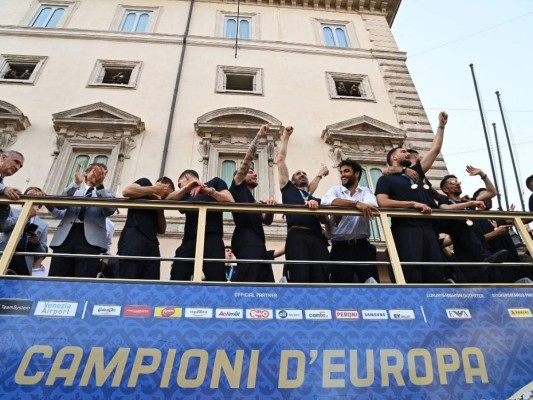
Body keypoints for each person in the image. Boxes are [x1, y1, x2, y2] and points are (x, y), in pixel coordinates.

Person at [375, 112, 449, 283]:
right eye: (403, 151)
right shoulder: (385, 179)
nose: (407, 153)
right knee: (411, 272)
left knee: (435, 273)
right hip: (406, 229)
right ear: (393, 157)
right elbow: (383, 202)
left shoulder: (416, 173)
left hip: (428, 230)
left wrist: (441, 126)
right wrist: (412, 204)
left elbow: (434, 150)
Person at [277, 126, 329, 283]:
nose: (302, 175)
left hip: (317, 237)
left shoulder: (313, 198)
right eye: (298, 173)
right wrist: (285, 137)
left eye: (304, 173)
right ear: (292, 180)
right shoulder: (288, 190)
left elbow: (325, 219)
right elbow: (280, 159)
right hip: (297, 236)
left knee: (322, 276)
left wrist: (320, 174)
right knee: (300, 276)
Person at [438, 169, 509, 282]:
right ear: (445, 189)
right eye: (452, 182)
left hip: (484, 251)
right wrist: (471, 203)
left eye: (458, 181)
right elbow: (445, 208)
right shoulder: (445, 200)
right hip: (467, 255)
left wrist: (482, 174)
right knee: (479, 287)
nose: (457, 183)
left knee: (496, 282)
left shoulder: (467, 202)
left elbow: (492, 192)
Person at [48, 163, 117, 277]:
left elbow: (109, 210)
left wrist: (100, 186)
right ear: (86, 173)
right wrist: (75, 183)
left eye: (102, 173)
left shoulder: (107, 194)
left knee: (84, 277)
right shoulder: (74, 191)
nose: (98, 175)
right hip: (66, 236)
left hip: (91, 240)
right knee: (58, 275)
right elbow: (59, 205)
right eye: (95, 171)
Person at [167, 169, 234, 281]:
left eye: (180, 184)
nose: (180, 187)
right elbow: (168, 199)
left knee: (216, 278)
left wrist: (208, 191)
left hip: (212, 237)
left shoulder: (215, 182)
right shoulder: (185, 194)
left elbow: (230, 201)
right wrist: (187, 187)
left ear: (186, 177)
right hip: (190, 239)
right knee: (177, 275)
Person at [230, 124, 276, 282]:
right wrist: (259, 136)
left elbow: (267, 221)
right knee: (248, 276)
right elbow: (247, 159)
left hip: (258, 242)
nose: (254, 173)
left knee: (263, 278)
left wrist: (270, 208)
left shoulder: (254, 201)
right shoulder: (237, 187)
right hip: (245, 239)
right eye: (250, 171)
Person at [321, 159, 379, 283]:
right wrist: (355, 204)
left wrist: (339, 207)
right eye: (341, 172)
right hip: (339, 248)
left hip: (362, 247)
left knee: (371, 286)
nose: (342, 175)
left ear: (357, 174)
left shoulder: (365, 191)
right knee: (340, 289)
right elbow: (325, 202)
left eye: (346, 171)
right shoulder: (335, 190)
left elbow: (371, 204)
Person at [118, 176, 174, 280]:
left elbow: (162, 230)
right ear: (166, 185)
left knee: (151, 282)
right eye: (167, 194)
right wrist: (154, 189)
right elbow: (126, 191)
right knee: (129, 277)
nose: (166, 198)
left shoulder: (160, 201)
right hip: (134, 238)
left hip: (152, 244)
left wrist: (160, 207)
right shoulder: (145, 183)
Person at [0, 187, 48, 275]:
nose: (33, 199)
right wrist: (26, 215)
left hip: (24, 260)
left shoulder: (43, 225)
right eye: (30, 196)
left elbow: (42, 252)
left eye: (37, 197)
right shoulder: (11, 211)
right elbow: (3, 226)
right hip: (5, 253)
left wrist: (36, 243)